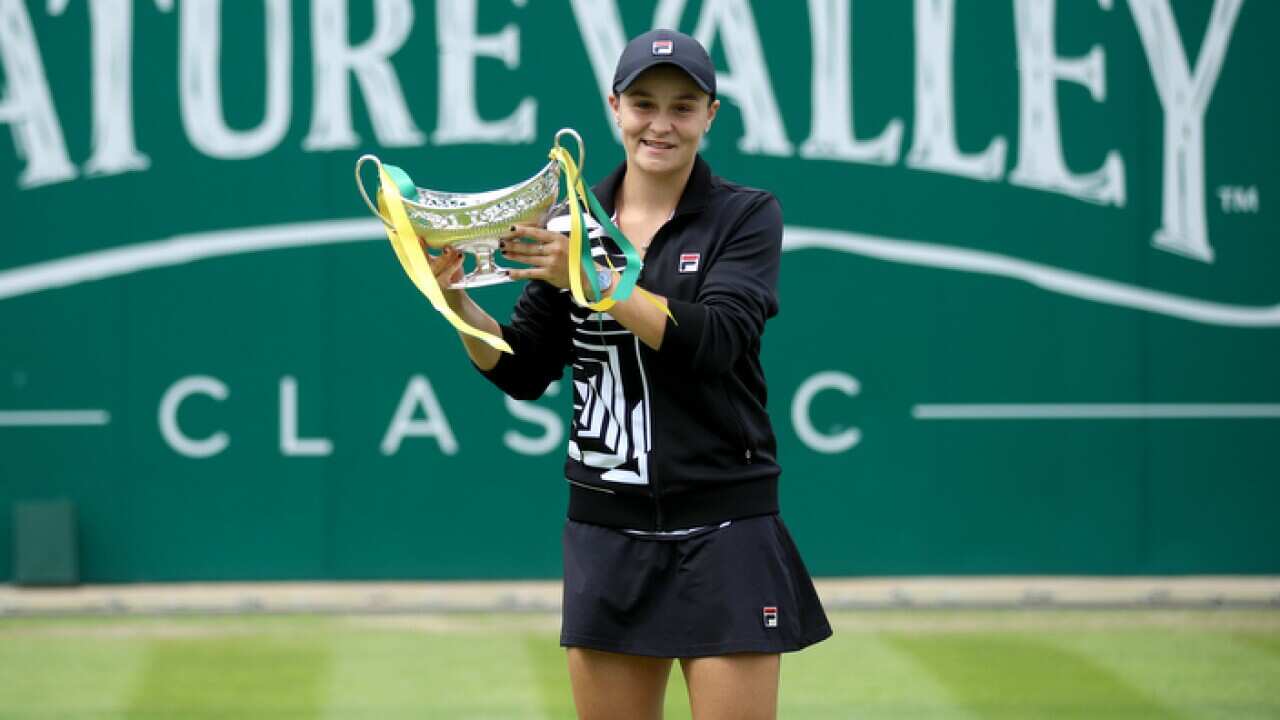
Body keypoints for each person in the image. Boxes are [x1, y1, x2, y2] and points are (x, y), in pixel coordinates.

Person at [422, 28, 831, 720]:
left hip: (726, 525)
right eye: (644, 103)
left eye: (682, 106)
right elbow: (524, 368)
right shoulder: (572, 221)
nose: (660, 124)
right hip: (608, 533)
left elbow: (716, 340)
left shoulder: (746, 215)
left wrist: (593, 276)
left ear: (711, 115)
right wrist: (457, 303)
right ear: (616, 107)